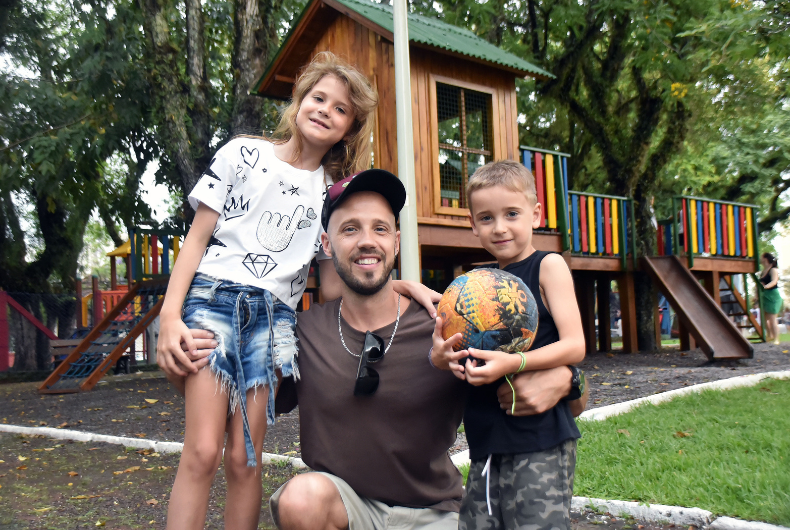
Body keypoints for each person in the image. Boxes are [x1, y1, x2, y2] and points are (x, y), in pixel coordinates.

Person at [155, 52, 437, 530]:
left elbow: (334, 284)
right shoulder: (243, 153)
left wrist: (399, 285)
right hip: (213, 302)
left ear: (349, 128)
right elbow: (196, 240)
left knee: (245, 456)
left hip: (273, 320)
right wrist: (169, 318)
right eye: (318, 98)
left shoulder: (332, 193)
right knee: (202, 449)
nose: (325, 110)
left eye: (340, 108)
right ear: (299, 101)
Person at [256, 169, 588, 530]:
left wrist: (569, 379)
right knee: (301, 500)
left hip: (434, 513)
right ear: (327, 243)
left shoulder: (449, 322)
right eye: (350, 229)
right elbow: (240, 403)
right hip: (348, 508)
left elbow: (560, 385)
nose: (367, 241)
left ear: (396, 242)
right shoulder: (302, 332)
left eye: (380, 229)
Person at [431, 160, 585, 530]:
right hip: (486, 443)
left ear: (536, 215)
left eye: (511, 214)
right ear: (473, 225)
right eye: (486, 218)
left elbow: (575, 345)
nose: (499, 227)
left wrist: (513, 364)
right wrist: (443, 357)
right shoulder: (478, 284)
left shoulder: (548, 266)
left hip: (540, 440)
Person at [759, 252, 783, 345]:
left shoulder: (773, 270)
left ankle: (776, 339)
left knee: (772, 319)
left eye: (761, 257)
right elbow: (760, 284)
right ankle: (770, 336)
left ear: (765, 258)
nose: (759, 258)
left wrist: (765, 287)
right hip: (765, 296)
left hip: (773, 296)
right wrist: (757, 296)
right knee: (763, 319)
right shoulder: (763, 271)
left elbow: (774, 281)